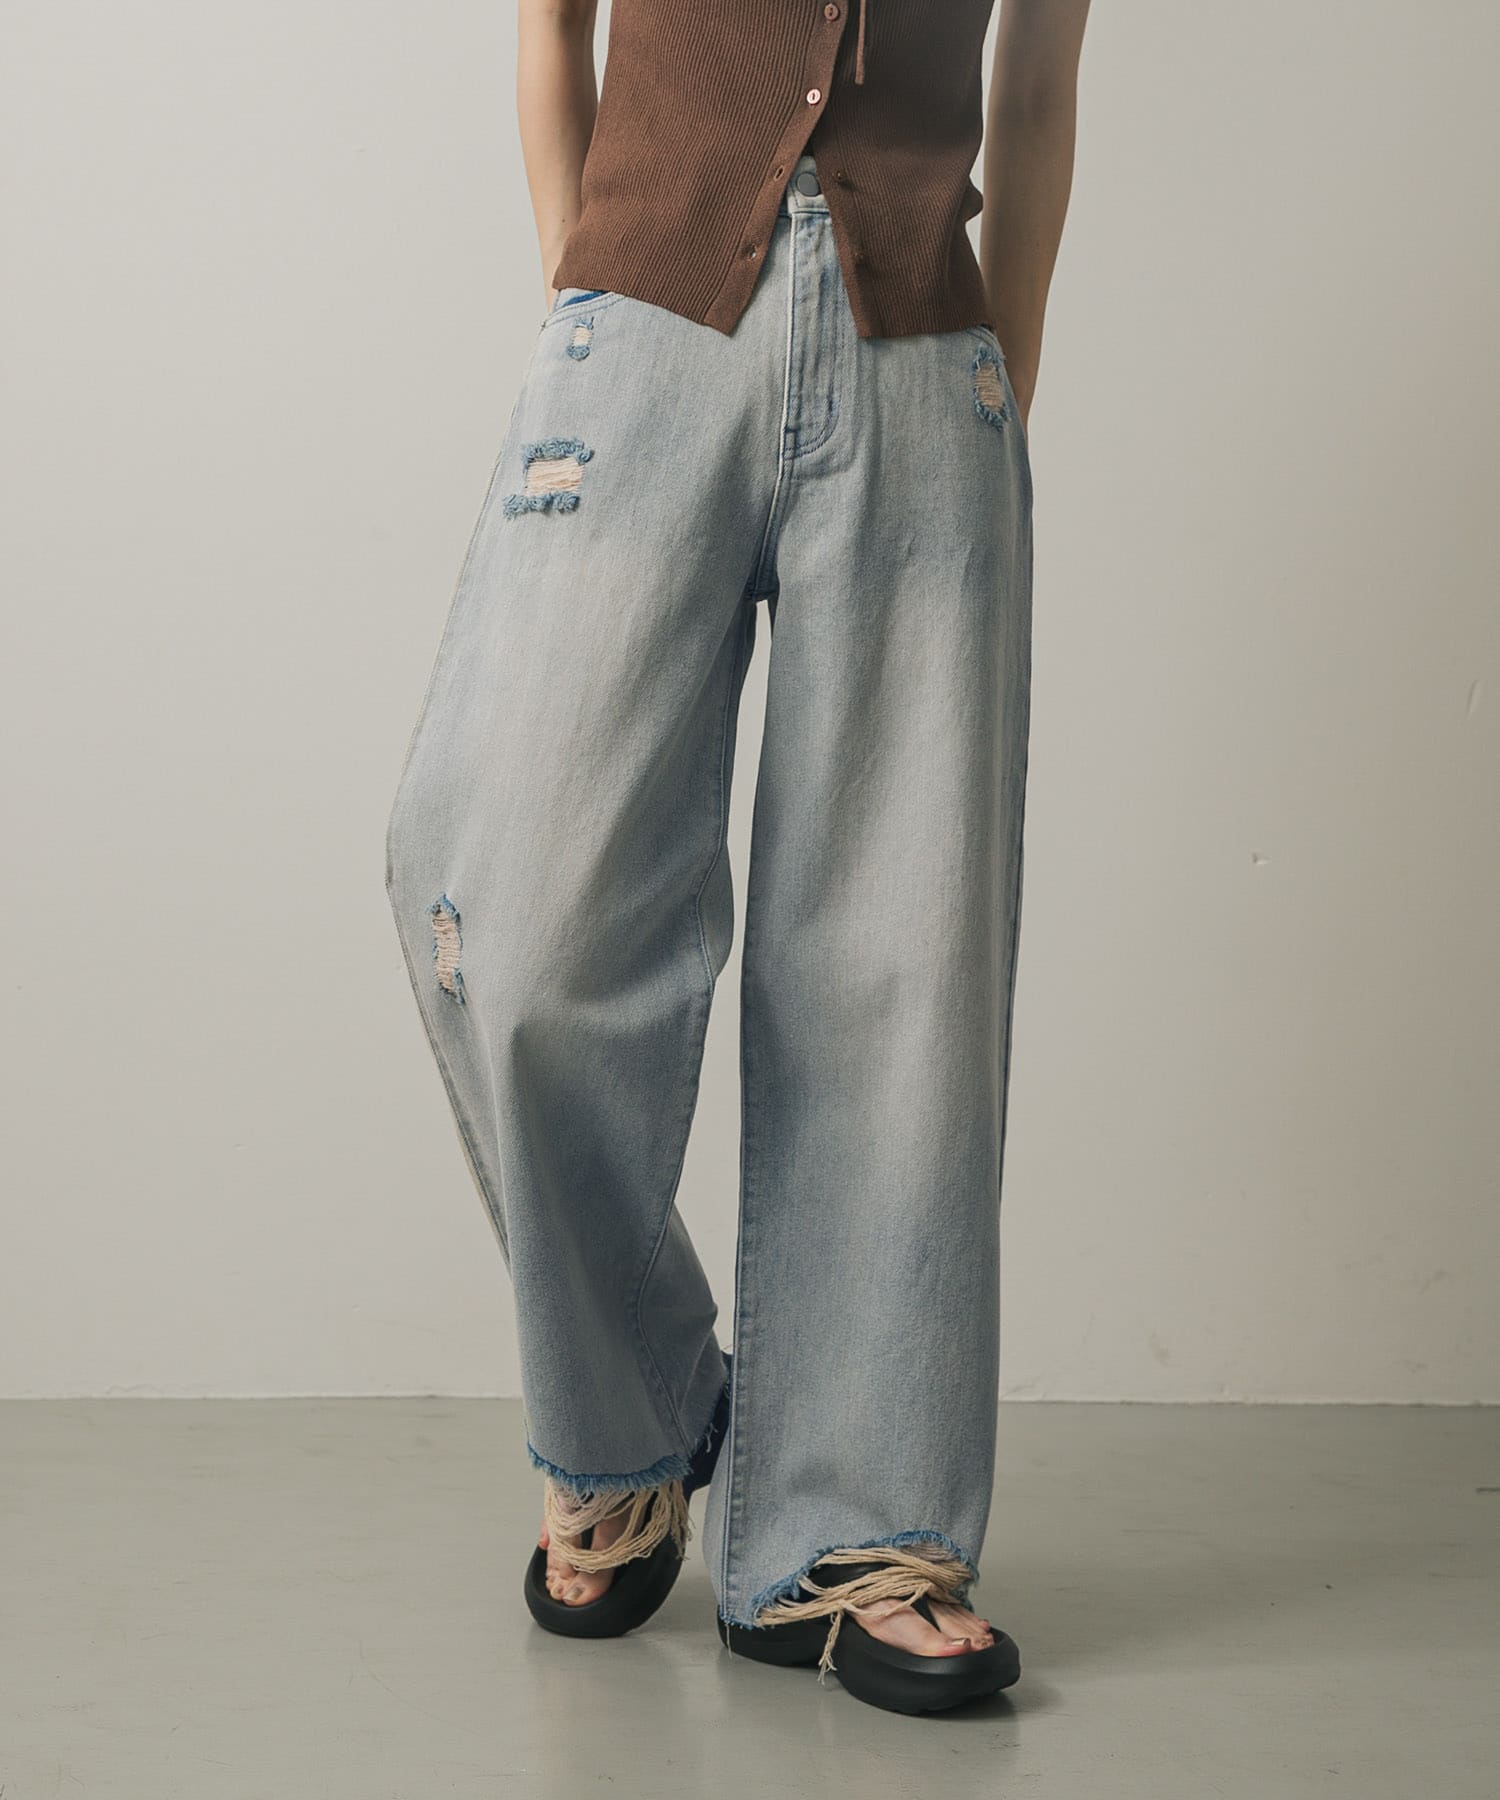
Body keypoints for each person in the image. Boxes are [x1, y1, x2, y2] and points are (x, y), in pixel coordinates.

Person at [385, 0, 1090, 1717]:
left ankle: (858, 1537)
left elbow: (1040, 76)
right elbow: (550, 25)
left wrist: (1003, 377)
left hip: (923, 358)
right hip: (636, 329)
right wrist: (586, 297)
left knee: (900, 971)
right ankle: (632, 1421)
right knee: (504, 920)